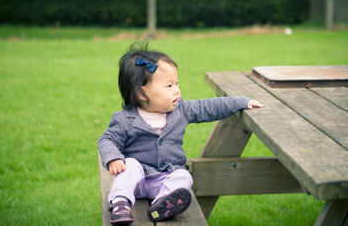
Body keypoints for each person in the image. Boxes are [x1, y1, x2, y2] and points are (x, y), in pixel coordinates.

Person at [97, 42, 264, 225]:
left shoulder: (180, 110)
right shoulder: (125, 120)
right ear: (141, 94)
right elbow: (107, 139)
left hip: (163, 179)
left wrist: (241, 102)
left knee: (183, 176)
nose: (177, 89)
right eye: (169, 86)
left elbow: (208, 107)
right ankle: (120, 203)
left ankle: (163, 203)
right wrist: (114, 158)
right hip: (136, 181)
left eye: (177, 83)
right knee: (130, 165)